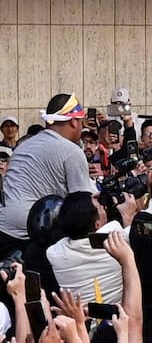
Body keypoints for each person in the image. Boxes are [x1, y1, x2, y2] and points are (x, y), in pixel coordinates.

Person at [0, 93, 91, 255]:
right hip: (30, 233)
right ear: (73, 121)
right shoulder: (72, 152)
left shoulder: (24, 145)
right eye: (82, 121)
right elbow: (81, 207)